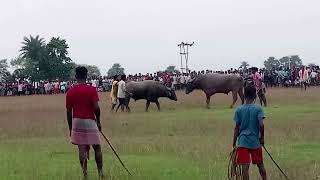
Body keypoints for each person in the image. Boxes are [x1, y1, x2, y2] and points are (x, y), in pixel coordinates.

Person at [66, 66, 104, 178]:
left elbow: (68, 112)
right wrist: (99, 122)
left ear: (76, 76)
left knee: (81, 148)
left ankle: (85, 174)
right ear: (86, 76)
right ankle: (100, 173)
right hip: (90, 120)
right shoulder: (91, 90)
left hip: (77, 121)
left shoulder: (70, 92)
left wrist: (70, 127)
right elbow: (96, 108)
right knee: (97, 147)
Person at [232, 84, 267, 180]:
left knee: (244, 167)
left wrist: (234, 143)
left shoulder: (239, 109)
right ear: (255, 96)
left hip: (242, 142)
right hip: (255, 141)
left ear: (244, 95)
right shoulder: (258, 108)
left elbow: (236, 128)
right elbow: (261, 125)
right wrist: (262, 138)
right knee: (260, 165)